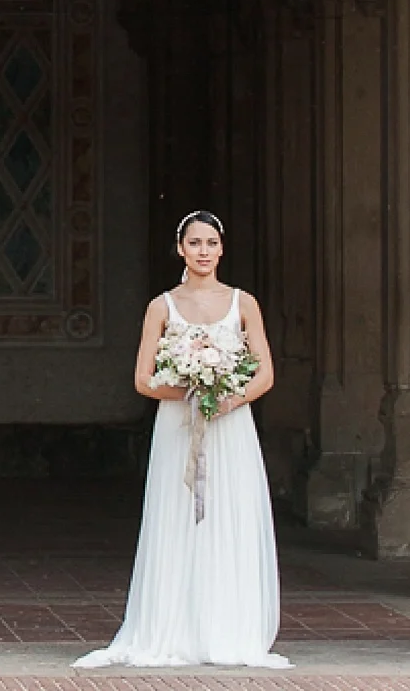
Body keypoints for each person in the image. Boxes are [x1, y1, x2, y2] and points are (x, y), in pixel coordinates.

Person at [73, 210, 290, 669]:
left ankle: (228, 627)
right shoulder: (161, 307)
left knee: (229, 517)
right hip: (179, 427)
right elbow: (143, 379)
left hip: (230, 429)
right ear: (180, 248)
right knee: (179, 517)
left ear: (222, 249)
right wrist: (192, 390)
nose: (204, 252)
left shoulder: (243, 303)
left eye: (211, 243)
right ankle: (174, 626)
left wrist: (228, 398)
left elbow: (266, 372)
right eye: (195, 243)